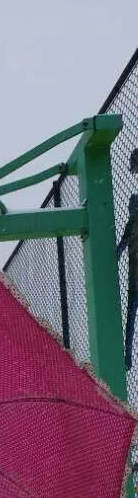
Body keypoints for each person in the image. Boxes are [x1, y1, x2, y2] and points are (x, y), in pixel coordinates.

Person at [117, 147, 138, 371]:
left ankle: (127, 357)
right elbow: (125, 237)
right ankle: (127, 357)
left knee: (132, 311)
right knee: (131, 311)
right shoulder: (134, 208)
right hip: (134, 268)